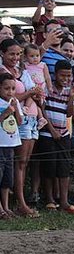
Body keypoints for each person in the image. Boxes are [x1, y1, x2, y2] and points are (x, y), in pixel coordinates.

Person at [1, 39, 41, 217]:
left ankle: (17, 202)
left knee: (22, 163)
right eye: (12, 54)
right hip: (9, 122)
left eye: (18, 54)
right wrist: (27, 95)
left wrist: (28, 97)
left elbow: (34, 91)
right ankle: (19, 203)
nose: (15, 57)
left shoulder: (21, 70)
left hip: (27, 117)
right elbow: (11, 95)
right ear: (2, 53)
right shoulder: (2, 72)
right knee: (15, 163)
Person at [37, 60, 74, 214]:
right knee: (49, 167)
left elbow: (68, 113)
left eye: (69, 76)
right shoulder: (47, 89)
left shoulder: (69, 91)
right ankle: (49, 199)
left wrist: (71, 97)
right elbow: (41, 111)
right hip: (48, 133)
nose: (66, 79)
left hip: (63, 132)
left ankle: (64, 200)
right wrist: (51, 130)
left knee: (64, 167)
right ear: (55, 74)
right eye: (63, 75)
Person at [0, 73, 23, 219]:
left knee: (8, 178)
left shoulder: (14, 102)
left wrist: (14, 109)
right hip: (0, 144)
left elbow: (20, 121)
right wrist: (7, 112)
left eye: (13, 88)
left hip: (11, 143)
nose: (10, 92)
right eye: (6, 88)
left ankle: (6, 207)